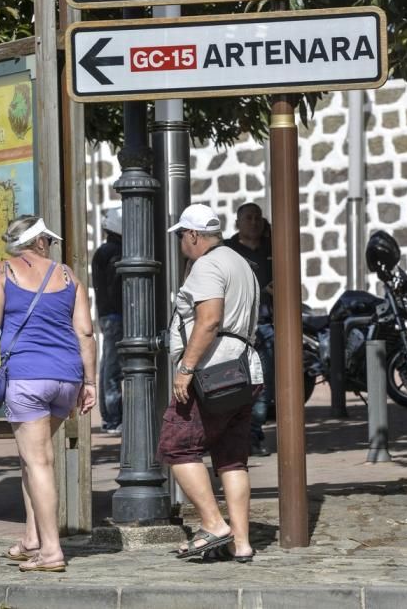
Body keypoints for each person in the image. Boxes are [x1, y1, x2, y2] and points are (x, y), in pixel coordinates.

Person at [0, 215, 96, 573]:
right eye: (49, 241)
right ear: (38, 240)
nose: (51, 246)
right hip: (66, 380)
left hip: (27, 378)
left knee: (38, 460)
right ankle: (32, 538)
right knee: (32, 458)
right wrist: (90, 382)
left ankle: (52, 551)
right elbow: (86, 333)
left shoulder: (3, 272)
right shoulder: (69, 276)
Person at [157, 203, 263, 563]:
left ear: (193, 235)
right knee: (232, 459)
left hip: (211, 373)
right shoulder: (239, 262)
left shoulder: (208, 265)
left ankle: (214, 524)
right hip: (244, 370)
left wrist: (185, 368)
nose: (182, 245)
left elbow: (209, 320)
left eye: (182, 238)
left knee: (176, 446)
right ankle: (242, 543)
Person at [225, 203, 274, 457]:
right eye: (248, 218)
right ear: (238, 222)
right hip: (238, 329)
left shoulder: (272, 248)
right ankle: (236, 439)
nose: (254, 222)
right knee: (234, 386)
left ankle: (254, 437)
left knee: (262, 387)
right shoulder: (229, 251)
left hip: (267, 327)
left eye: (258, 218)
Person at [92, 206, 123, 436]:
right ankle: (113, 417)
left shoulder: (103, 251)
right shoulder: (115, 253)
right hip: (116, 314)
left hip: (106, 314)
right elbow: (116, 288)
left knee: (107, 366)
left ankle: (109, 416)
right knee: (112, 368)